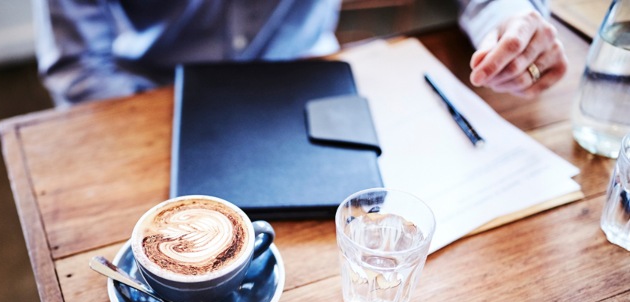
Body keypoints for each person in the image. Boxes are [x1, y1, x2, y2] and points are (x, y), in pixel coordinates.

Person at [31, 0, 569, 107]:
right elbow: (77, 66)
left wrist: (507, 21)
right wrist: (163, 119)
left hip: (310, 80)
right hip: (149, 98)